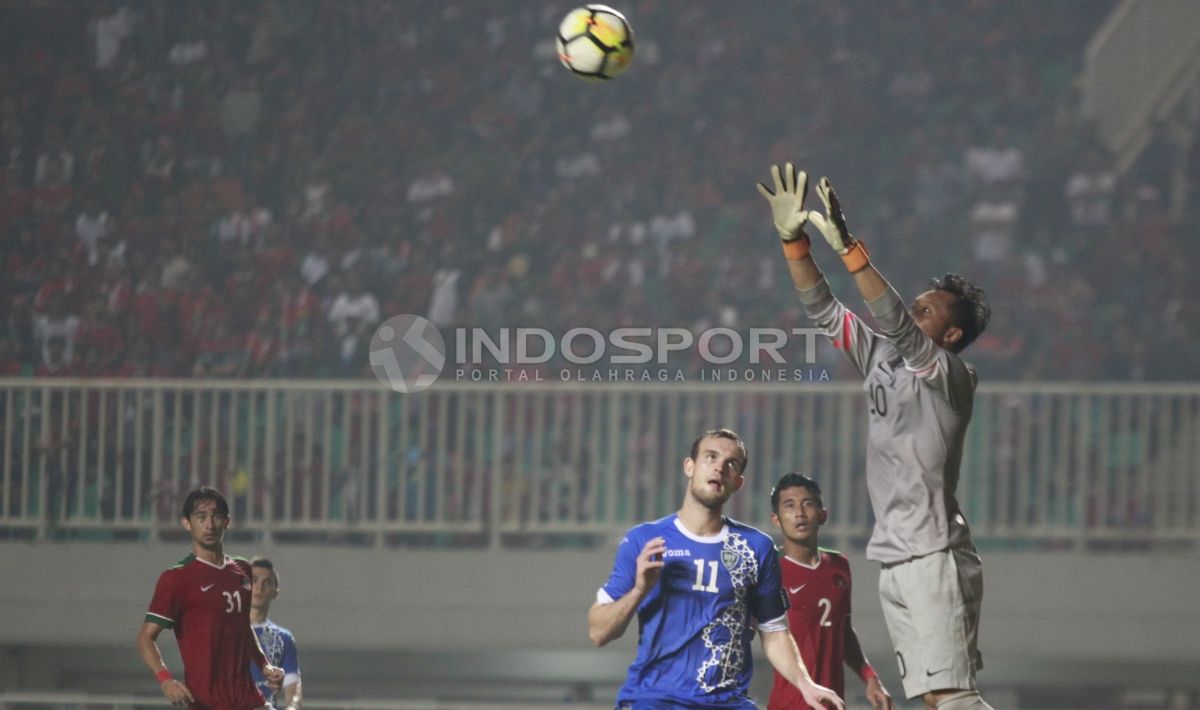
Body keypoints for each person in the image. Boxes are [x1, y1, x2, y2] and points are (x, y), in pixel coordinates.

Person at [757, 164, 993, 710]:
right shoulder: (881, 357)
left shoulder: (953, 378)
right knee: (936, 699)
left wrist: (850, 249)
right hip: (897, 557)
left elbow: (901, 330)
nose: (915, 310)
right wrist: (794, 241)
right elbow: (823, 309)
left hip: (935, 555)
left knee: (955, 698)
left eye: (928, 309)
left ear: (952, 335)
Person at [587, 428, 845, 710]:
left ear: (738, 482)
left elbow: (773, 632)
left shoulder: (756, 548)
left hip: (728, 702)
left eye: (731, 463)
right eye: (711, 457)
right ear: (690, 466)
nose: (720, 467)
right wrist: (639, 590)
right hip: (655, 700)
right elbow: (599, 632)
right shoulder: (644, 540)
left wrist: (805, 683)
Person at [137, 486, 284, 709]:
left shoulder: (243, 569)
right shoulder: (176, 578)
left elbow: (242, 626)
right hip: (207, 703)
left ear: (227, 521)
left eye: (216, 516)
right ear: (187, 523)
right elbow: (145, 639)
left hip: (248, 699)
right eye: (201, 517)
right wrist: (165, 680)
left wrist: (264, 664)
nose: (209, 524)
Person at [766, 473, 894, 710]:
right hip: (788, 705)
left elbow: (842, 628)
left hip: (833, 704)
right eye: (789, 505)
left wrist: (869, 676)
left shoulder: (839, 566)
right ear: (776, 519)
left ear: (823, 514)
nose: (800, 513)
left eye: (808, 504)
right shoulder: (769, 569)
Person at [248, 557, 303, 709]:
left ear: (275, 592)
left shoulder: (283, 639)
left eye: (267, 583)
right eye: (254, 580)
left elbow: (293, 688)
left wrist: (293, 707)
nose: (259, 588)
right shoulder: (226, 632)